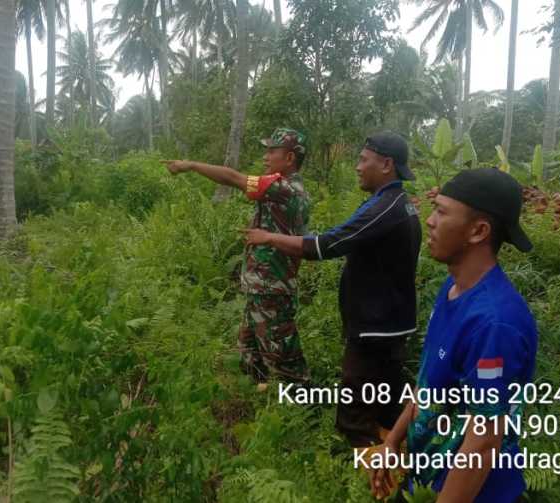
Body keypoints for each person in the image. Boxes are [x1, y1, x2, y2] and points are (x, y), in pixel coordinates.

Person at [370, 168, 538, 503]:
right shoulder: (453, 288)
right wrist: (393, 441)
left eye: (442, 212)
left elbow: (484, 440)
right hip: (428, 479)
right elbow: (429, 380)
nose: (429, 221)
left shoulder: (495, 323)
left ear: (478, 231)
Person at [244, 131, 421, 446]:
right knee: (385, 409)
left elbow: (328, 244)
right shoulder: (398, 203)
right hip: (389, 323)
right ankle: (395, 465)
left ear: (387, 165)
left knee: (354, 420)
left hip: (375, 328)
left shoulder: (383, 209)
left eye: (363, 160)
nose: (357, 166)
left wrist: (268, 237)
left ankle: (373, 477)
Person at [162, 128, 312, 385]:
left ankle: (307, 408)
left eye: (272, 151)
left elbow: (233, 178)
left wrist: (190, 165)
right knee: (249, 353)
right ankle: (261, 402)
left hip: (271, 289)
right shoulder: (281, 187)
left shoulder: (283, 188)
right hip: (262, 287)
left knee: (286, 363)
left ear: (289, 159)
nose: (266, 157)